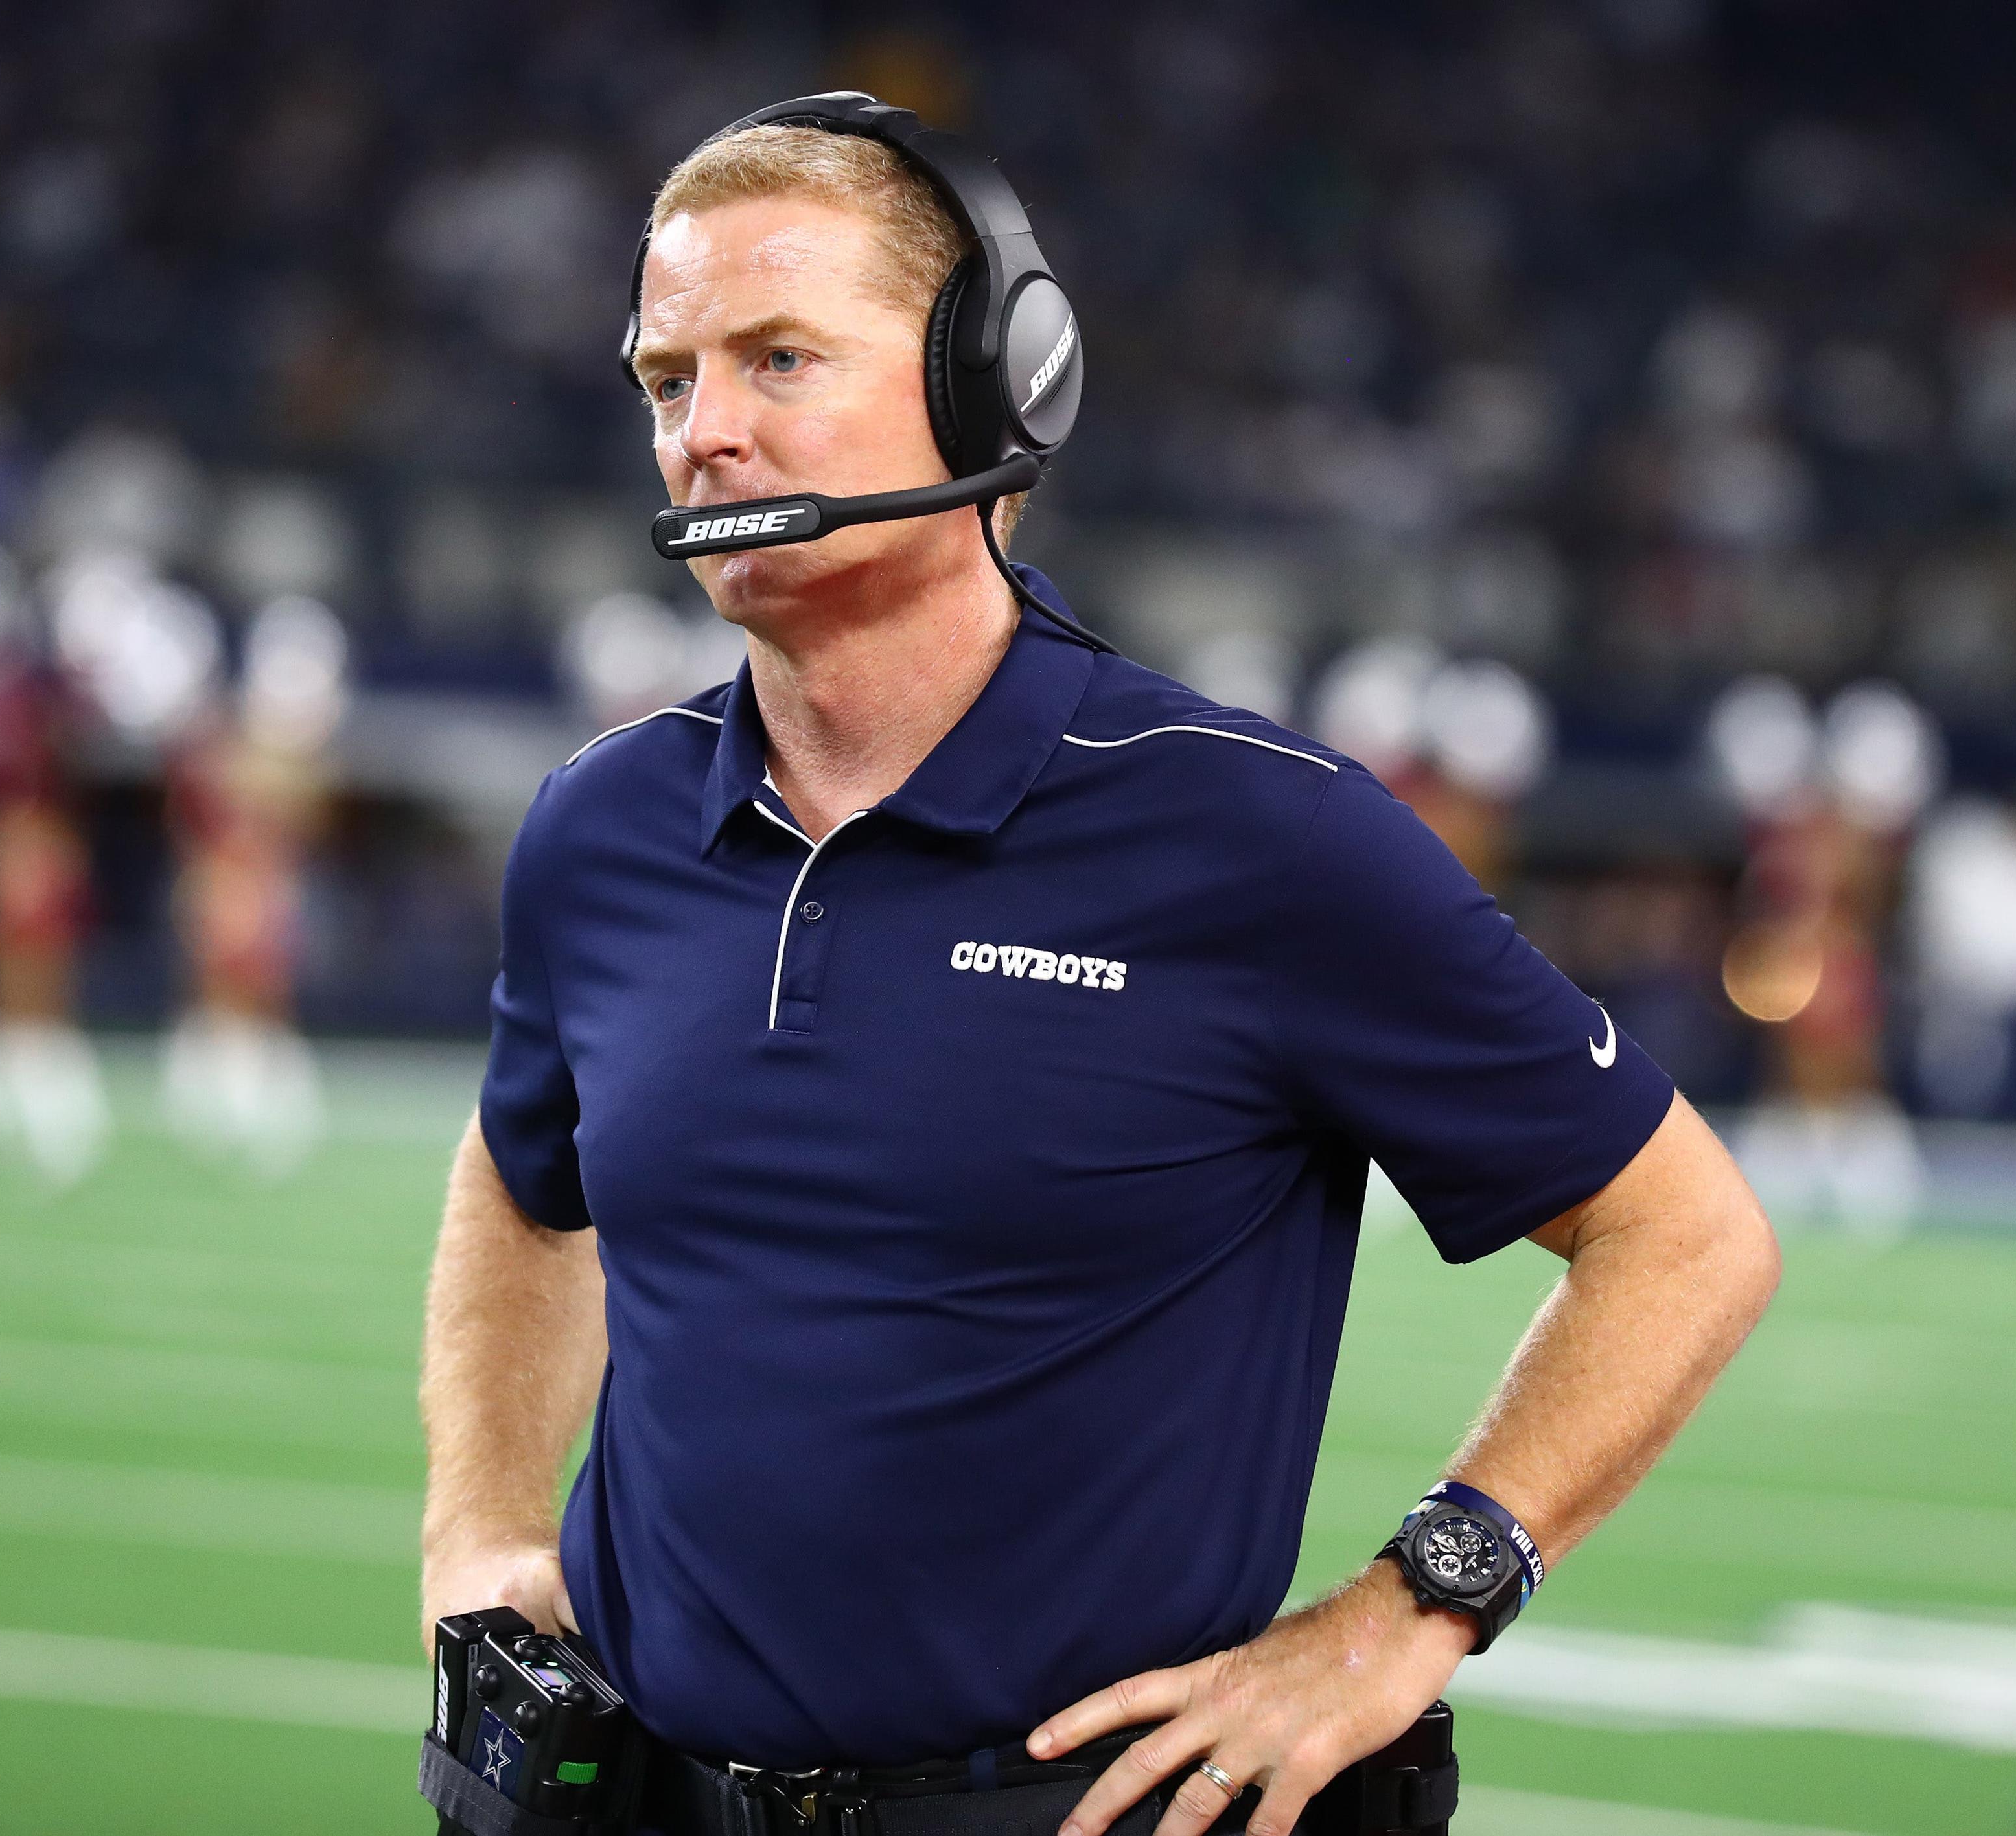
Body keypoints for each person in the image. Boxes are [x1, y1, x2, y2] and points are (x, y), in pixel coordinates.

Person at [421, 98, 1780, 1836]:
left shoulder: (1255, 835)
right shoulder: (596, 829)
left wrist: (1408, 1611)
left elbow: (1686, 1232)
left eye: (778, 359)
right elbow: (528, 1175)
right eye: (668, 380)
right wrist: (476, 1519)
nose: (708, 434)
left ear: (999, 384)